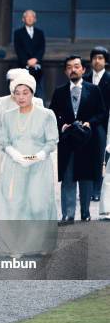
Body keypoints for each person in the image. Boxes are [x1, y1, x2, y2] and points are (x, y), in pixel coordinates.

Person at [50, 55, 107, 224]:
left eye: (76, 66)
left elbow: (102, 113)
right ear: (65, 71)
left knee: (86, 176)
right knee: (68, 176)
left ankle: (85, 211)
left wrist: (91, 122)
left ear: (83, 69)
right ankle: (67, 214)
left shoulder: (93, 90)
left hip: (87, 138)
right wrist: (62, 125)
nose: (73, 70)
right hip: (67, 138)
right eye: (69, 67)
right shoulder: (59, 92)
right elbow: (52, 114)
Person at [0, 74, 58, 220]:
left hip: (39, 166)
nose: (21, 97)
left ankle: (39, 241)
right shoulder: (7, 116)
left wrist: (37, 156)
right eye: (17, 93)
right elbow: (4, 142)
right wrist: (15, 155)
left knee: (38, 205)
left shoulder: (46, 114)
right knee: (16, 205)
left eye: (25, 93)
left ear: (32, 93)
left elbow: (52, 141)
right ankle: (19, 242)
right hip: (15, 165)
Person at [83, 46, 110, 202]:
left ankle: (97, 190)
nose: (97, 61)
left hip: (103, 123)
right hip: (87, 122)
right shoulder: (85, 78)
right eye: (94, 58)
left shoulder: (109, 79)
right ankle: (86, 189)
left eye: (100, 58)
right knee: (86, 155)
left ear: (105, 61)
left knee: (100, 157)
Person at [0, 68, 44, 137]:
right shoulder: (1, 102)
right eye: (11, 81)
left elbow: (40, 125)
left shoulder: (37, 102)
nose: (13, 84)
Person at [13, 10, 45, 97]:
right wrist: (27, 61)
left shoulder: (40, 33)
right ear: (23, 19)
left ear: (35, 19)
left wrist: (36, 59)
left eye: (32, 17)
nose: (30, 18)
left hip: (37, 65)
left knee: (39, 90)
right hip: (23, 65)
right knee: (23, 89)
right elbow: (18, 49)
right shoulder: (18, 33)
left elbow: (42, 48)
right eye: (28, 17)